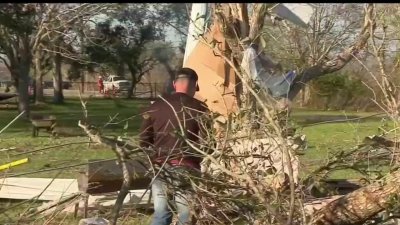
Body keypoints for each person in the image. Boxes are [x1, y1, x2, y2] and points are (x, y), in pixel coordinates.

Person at [139, 67, 209, 225]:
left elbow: (144, 140)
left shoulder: (155, 106)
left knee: (161, 213)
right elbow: (208, 143)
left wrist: (153, 158)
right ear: (194, 85)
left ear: (174, 84)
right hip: (187, 167)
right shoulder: (200, 108)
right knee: (186, 216)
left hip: (160, 167)